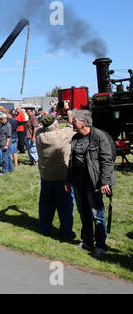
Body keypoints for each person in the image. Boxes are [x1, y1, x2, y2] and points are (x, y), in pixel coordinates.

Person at [65, 109, 116, 257]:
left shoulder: (99, 137)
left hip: (94, 183)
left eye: (74, 121)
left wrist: (105, 182)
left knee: (97, 214)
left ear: (84, 122)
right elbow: (71, 162)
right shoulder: (75, 138)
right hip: (78, 182)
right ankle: (87, 241)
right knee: (84, 213)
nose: (72, 123)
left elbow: (107, 161)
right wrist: (68, 180)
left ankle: (100, 245)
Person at [36, 103, 75, 240]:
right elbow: (72, 124)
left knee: (46, 205)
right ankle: (66, 233)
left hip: (46, 176)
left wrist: (55, 113)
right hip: (62, 177)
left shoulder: (39, 135)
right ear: (57, 126)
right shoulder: (62, 135)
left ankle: (45, 229)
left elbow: (44, 125)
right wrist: (67, 109)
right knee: (65, 206)